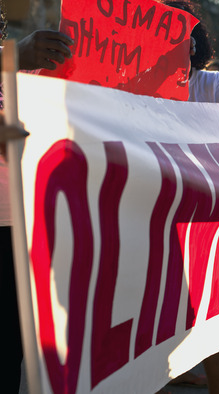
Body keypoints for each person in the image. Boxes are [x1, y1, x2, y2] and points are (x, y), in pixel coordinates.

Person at [160, 1, 219, 392]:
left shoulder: (211, 84)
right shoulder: (129, 85)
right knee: (160, 304)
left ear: (193, 43)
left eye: (180, 34)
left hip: (204, 211)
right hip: (154, 210)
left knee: (211, 307)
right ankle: (169, 372)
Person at [0, 23, 75, 393]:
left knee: (10, 349)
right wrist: (11, 56)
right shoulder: (12, 57)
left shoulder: (23, 66)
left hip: (24, 223)